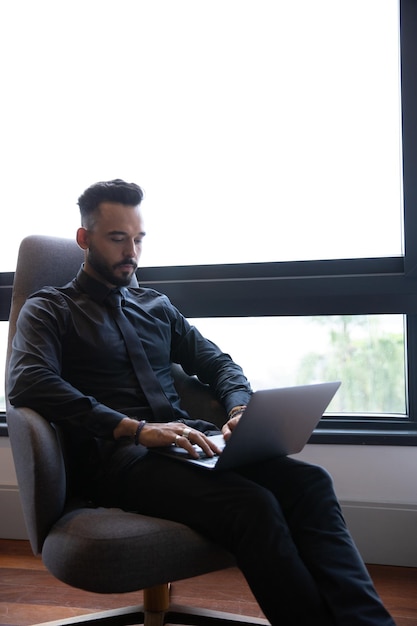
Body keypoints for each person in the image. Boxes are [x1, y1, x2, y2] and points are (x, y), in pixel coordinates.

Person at [7, 179, 396, 626]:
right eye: (118, 239)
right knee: (252, 506)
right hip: (118, 459)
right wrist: (133, 428)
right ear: (85, 239)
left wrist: (238, 410)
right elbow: (28, 381)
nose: (131, 251)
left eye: (138, 239)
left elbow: (217, 363)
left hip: (191, 443)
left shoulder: (155, 305)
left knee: (311, 485)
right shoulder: (50, 309)